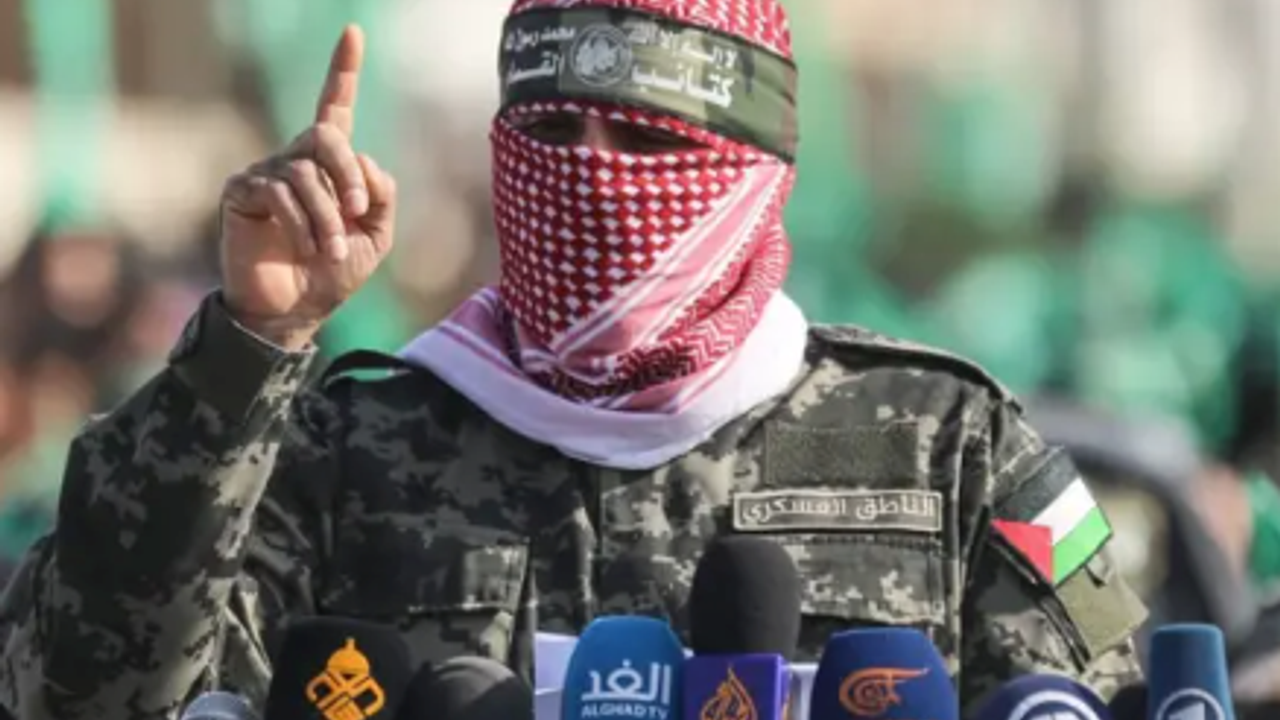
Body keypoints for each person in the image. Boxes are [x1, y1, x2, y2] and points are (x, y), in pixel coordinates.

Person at [0, 2, 1147, 718]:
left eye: (644, 140)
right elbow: (74, 691)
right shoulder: (348, 447)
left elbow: (1104, 695)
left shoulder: (945, 445)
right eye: (551, 132)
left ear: (755, 168)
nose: (592, 176)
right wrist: (252, 344)